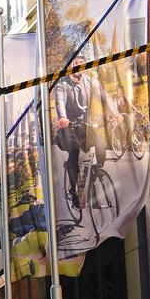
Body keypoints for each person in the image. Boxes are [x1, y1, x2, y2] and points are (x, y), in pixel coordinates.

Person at [53, 55, 119, 207]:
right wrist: (62, 117)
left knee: (101, 149)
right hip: (67, 128)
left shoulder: (89, 81)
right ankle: (75, 191)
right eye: (77, 65)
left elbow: (105, 96)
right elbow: (60, 101)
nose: (80, 68)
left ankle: (90, 181)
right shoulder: (62, 84)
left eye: (82, 65)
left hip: (84, 126)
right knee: (74, 151)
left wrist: (115, 112)